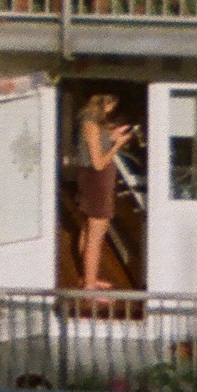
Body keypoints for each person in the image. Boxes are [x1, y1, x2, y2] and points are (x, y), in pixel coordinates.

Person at [74, 93, 133, 293]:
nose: (111, 109)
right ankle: (90, 287)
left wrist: (112, 136)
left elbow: (98, 145)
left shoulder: (93, 124)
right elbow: (99, 163)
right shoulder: (91, 125)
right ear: (103, 103)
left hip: (92, 182)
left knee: (88, 230)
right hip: (97, 183)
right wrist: (118, 145)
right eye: (110, 105)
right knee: (96, 236)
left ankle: (88, 278)